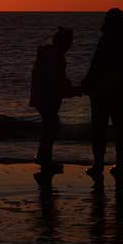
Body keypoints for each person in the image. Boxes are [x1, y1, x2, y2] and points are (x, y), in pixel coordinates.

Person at [82, 8, 123, 182]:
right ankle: (119, 165)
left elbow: (96, 66)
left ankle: (99, 164)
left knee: (99, 130)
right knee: (120, 130)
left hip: (103, 93)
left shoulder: (106, 41)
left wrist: (86, 84)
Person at [29, 26, 81, 187]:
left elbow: (57, 79)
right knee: (51, 126)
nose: (70, 45)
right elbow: (57, 80)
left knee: (49, 126)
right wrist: (71, 90)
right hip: (47, 97)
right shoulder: (56, 57)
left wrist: (68, 89)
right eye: (69, 42)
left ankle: (45, 159)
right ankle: (44, 160)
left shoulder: (49, 54)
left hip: (41, 96)